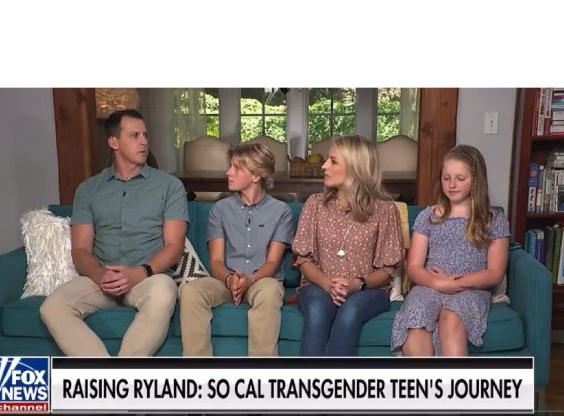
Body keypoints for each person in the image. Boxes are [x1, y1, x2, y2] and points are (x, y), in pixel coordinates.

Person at [40, 109, 188, 357]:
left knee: (164, 292)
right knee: (52, 307)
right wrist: (99, 275)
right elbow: (80, 249)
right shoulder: (88, 189)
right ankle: (105, 374)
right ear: (114, 142)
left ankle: (122, 374)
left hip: (148, 277)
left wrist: (139, 273)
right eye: (134, 135)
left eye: (145, 135)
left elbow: (174, 247)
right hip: (102, 278)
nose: (143, 141)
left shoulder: (169, 186)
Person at [391, 144, 510, 356]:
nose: (452, 185)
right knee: (416, 318)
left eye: (460, 178)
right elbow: (415, 267)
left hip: (470, 291)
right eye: (446, 178)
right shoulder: (428, 216)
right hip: (429, 285)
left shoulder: (493, 220)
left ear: (475, 181)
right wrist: (439, 283)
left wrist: (455, 283)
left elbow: (495, 273)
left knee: (452, 318)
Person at [292, 135, 404, 356]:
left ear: (355, 168)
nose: (324, 166)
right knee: (317, 308)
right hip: (317, 286)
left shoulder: (385, 210)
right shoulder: (314, 204)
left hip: (368, 290)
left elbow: (386, 271)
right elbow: (303, 260)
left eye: (333, 161)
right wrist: (328, 285)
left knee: (350, 311)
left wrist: (357, 285)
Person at [180, 142, 294, 357]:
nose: (228, 172)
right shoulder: (220, 209)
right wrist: (230, 279)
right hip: (226, 280)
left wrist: (250, 280)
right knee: (191, 290)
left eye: (236, 168)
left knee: (270, 291)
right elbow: (216, 261)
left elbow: (272, 263)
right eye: (230, 166)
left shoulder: (281, 211)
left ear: (256, 175)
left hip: (263, 280)